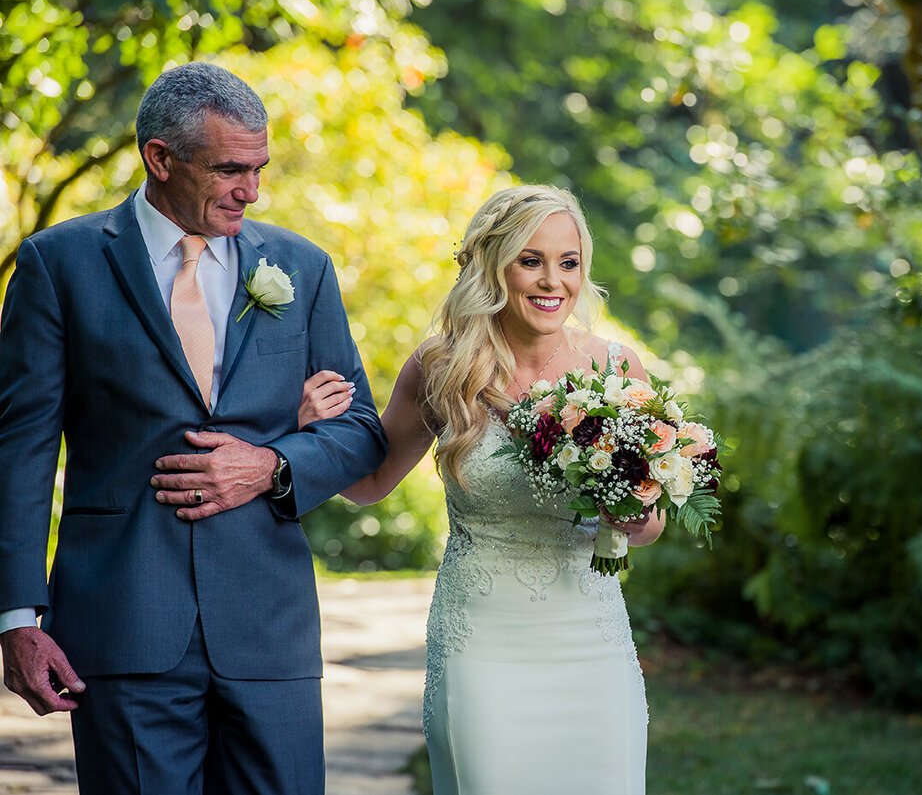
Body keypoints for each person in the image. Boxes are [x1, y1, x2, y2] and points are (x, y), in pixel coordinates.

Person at [0, 62, 387, 794]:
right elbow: (18, 451)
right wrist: (18, 617)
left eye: (260, 167)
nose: (252, 189)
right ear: (160, 157)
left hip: (268, 628)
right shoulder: (60, 263)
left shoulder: (300, 267)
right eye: (230, 169)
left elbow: (362, 429)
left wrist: (272, 463)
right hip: (122, 623)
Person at [298, 184, 664, 794]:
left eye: (568, 263)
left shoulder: (616, 370)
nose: (554, 282)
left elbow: (648, 526)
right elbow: (369, 483)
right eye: (531, 260)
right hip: (482, 643)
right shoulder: (443, 367)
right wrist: (316, 435)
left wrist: (628, 512)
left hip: (591, 644)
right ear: (495, 266)